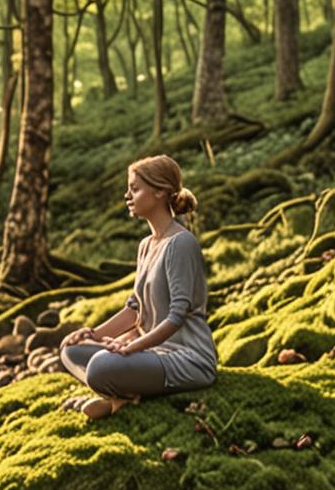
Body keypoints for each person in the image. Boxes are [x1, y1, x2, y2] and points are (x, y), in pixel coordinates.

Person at [59, 154, 218, 420]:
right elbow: (134, 309)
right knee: (71, 349)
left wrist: (132, 348)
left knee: (99, 367)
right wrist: (93, 334)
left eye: (135, 188)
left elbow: (177, 316)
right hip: (150, 354)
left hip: (186, 359)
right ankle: (122, 395)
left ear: (160, 191)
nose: (127, 195)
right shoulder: (146, 245)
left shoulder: (181, 243)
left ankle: (117, 399)